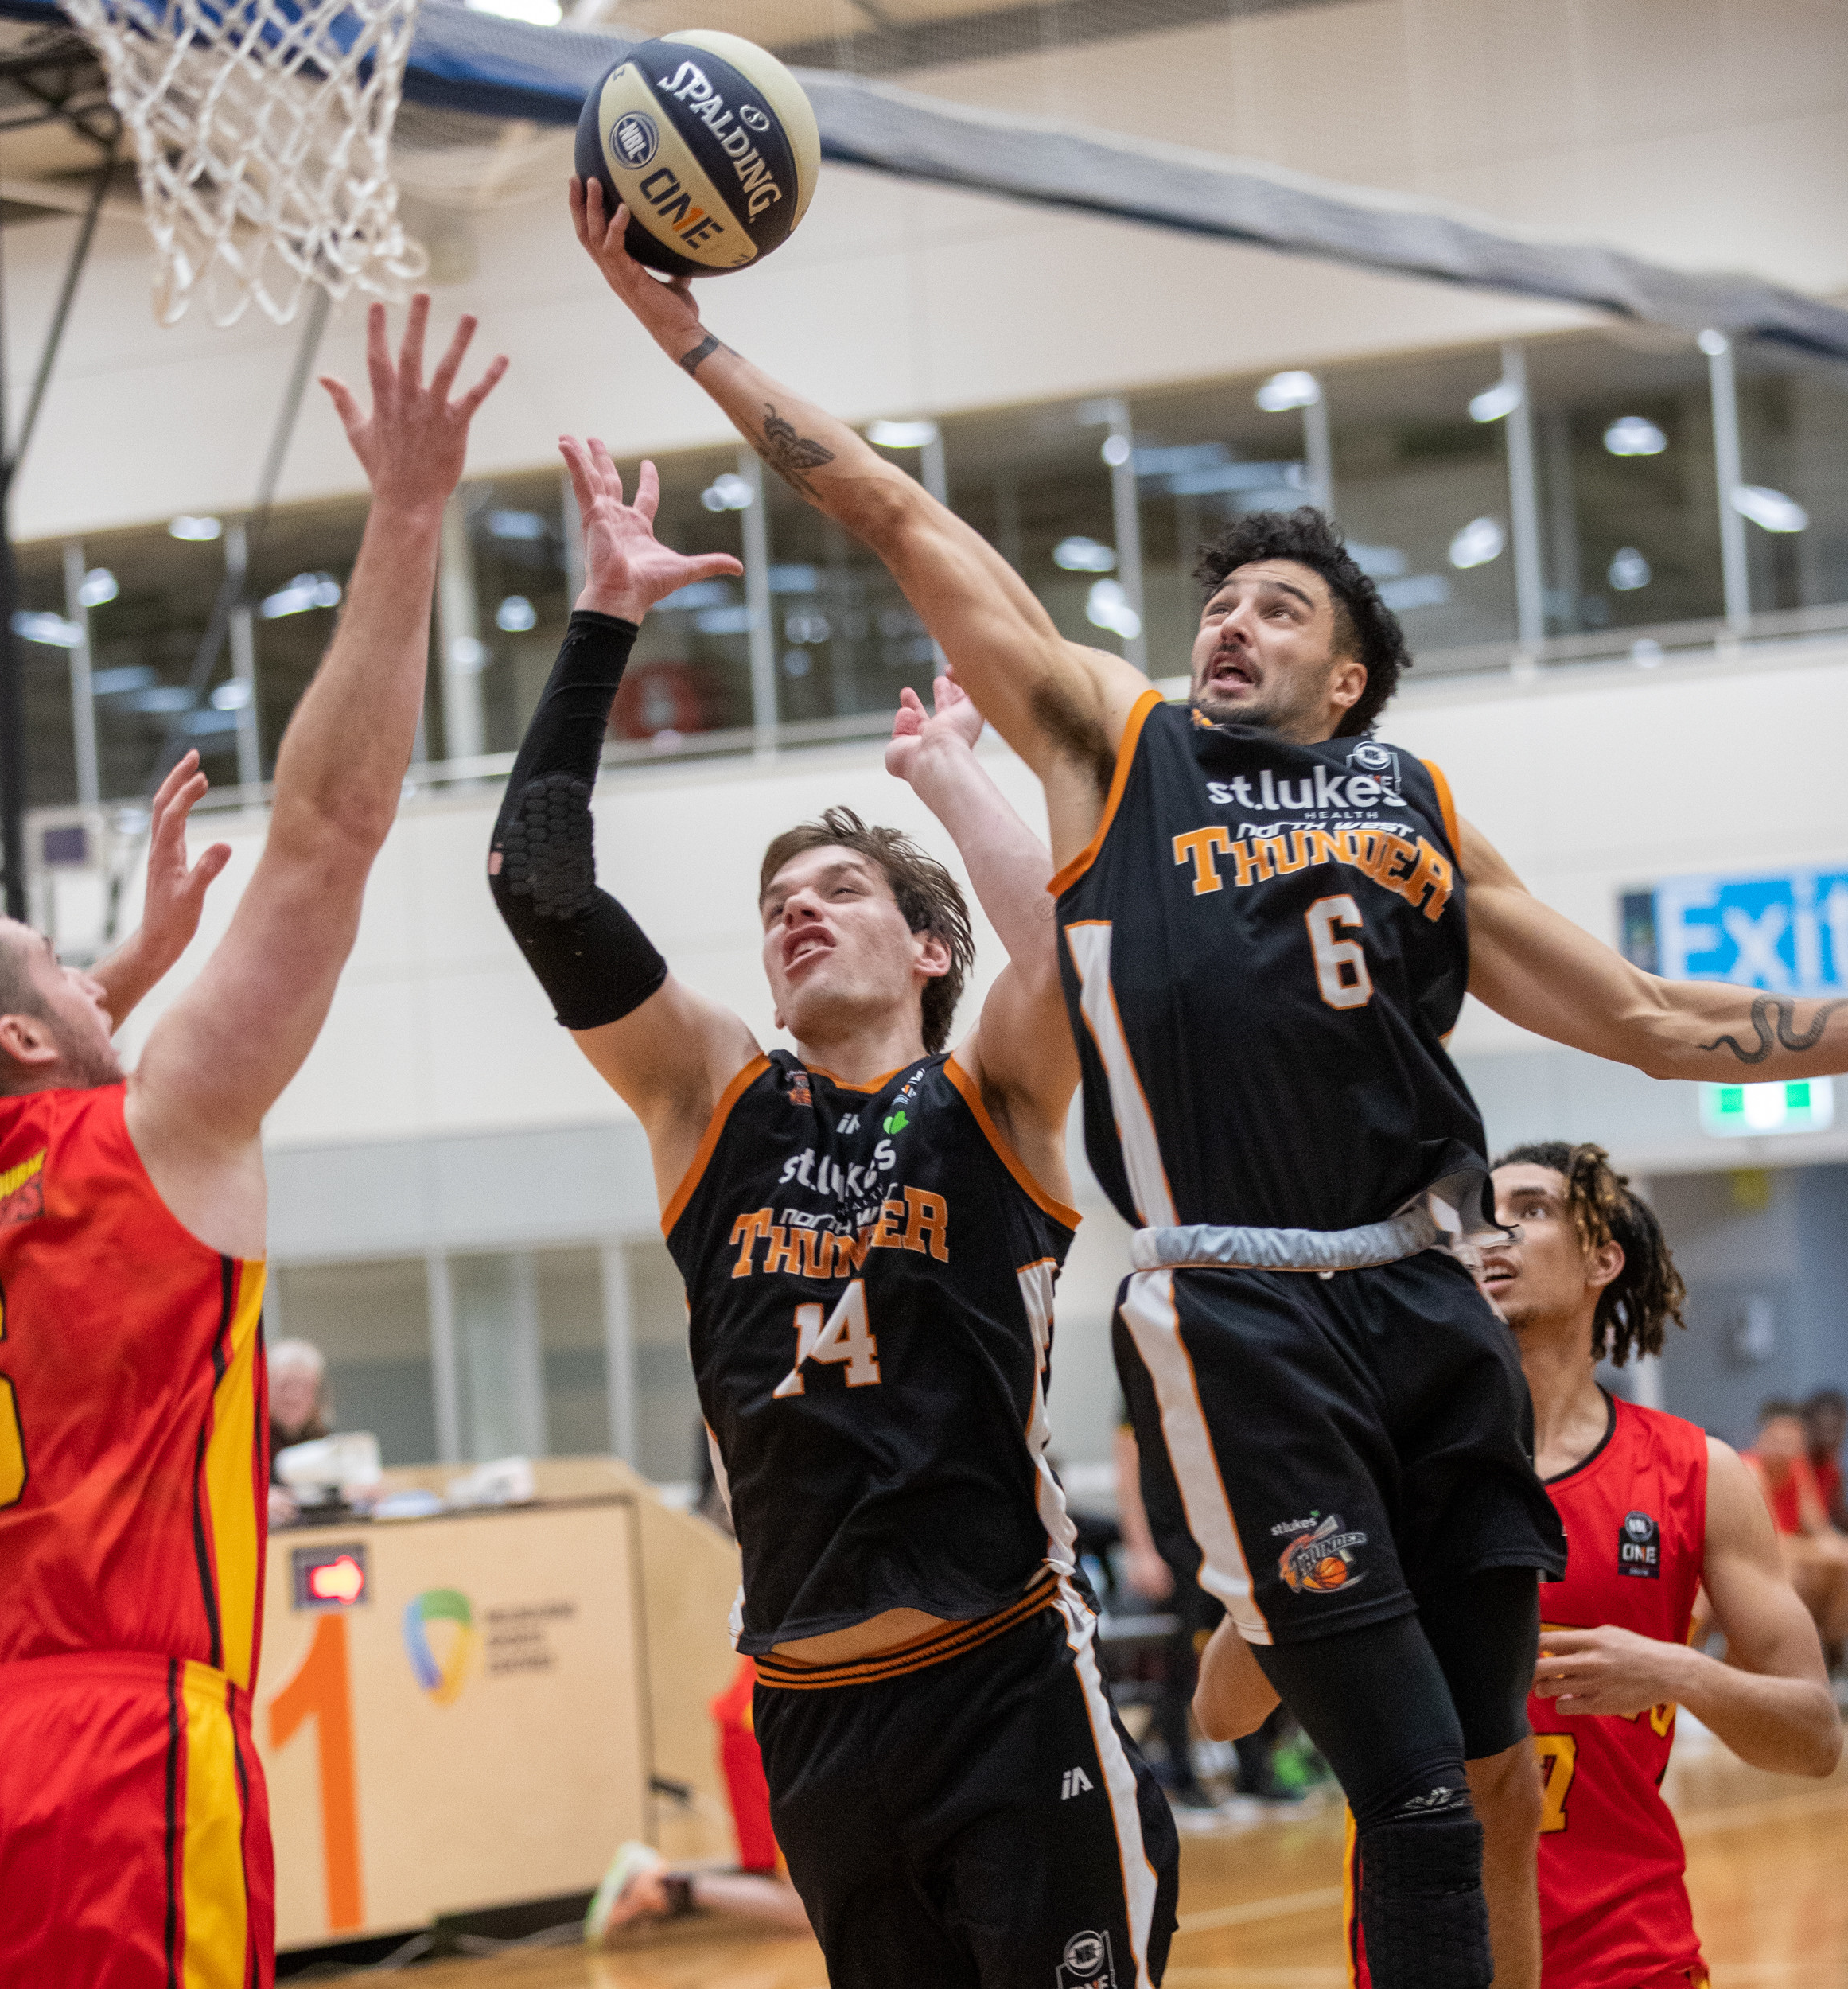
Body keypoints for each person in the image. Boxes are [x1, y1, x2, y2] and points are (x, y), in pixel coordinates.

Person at [572, 177, 1848, 1989]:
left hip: (1425, 1289)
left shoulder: (1414, 807)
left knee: (1493, 1779)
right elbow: (900, 515)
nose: (1229, 625)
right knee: (1413, 1799)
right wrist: (694, 339)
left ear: (1348, 674)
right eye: (1218, 603)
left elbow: (1647, 1015)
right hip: (1245, 1310)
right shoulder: (1125, 746)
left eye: (1276, 608)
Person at [485, 439, 1176, 1989]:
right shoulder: (710, 1098)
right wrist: (602, 618)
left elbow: (1079, 950)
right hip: (812, 1709)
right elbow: (536, 879)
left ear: (930, 950)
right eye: (775, 902)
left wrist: (951, 778)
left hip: (1005, 1677)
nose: (795, 907)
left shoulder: (990, 1098)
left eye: (839, 890)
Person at [0, 298, 504, 1989]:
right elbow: (329, 829)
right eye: (65, 964)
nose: (97, 968)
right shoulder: (159, 1132)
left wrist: (105, 985)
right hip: (113, 1750)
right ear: (29, 1039)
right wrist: (405, 514)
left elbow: (6, 1096)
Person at [1196, 1140, 1842, 1989]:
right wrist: (1335, 1521)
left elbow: (1813, 1738)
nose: (1490, 1233)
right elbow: (1222, 1711)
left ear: (1603, 1259)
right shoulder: (1377, 1469)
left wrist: (1676, 1671)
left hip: (1633, 1957)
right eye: (1474, 1217)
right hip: (1430, 1954)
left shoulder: (1698, 1473)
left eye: (1529, 1209)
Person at [589, 1656, 813, 1942]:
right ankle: (660, 1885)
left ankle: (663, 1887)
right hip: (769, 1724)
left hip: (774, 1717)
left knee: (805, 1899)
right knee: (806, 1903)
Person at [1743, 1400, 1848, 1657]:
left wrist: (1836, 1548)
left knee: (1842, 1560)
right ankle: (1782, 1651)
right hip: (1755, 1554)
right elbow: (1771, 1539)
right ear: (1761, 1438)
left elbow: (1819, 1526)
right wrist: (1824, 1550)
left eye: (1790, 1440)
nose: (1783, 1447)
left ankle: (1833, 1647)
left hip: (1790, 1549)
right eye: (1776, 1439)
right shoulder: (1751, 1469)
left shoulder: (1798, 1468)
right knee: (1790, 1571)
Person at [267, 1337, 331, 1527]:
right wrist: (254, 1501)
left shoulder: (325, 1441)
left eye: (303, 1386)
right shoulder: (246, 1441)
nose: (293, 1397)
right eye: (283, 1386)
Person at [1803, 1388, 1848, 1531]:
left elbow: (1838, 1515)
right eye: (1823, 1430)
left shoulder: (1831, 1468)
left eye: (1835, 1430)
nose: (1830, 1439)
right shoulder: (1795, 1465)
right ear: (1807, 1425)